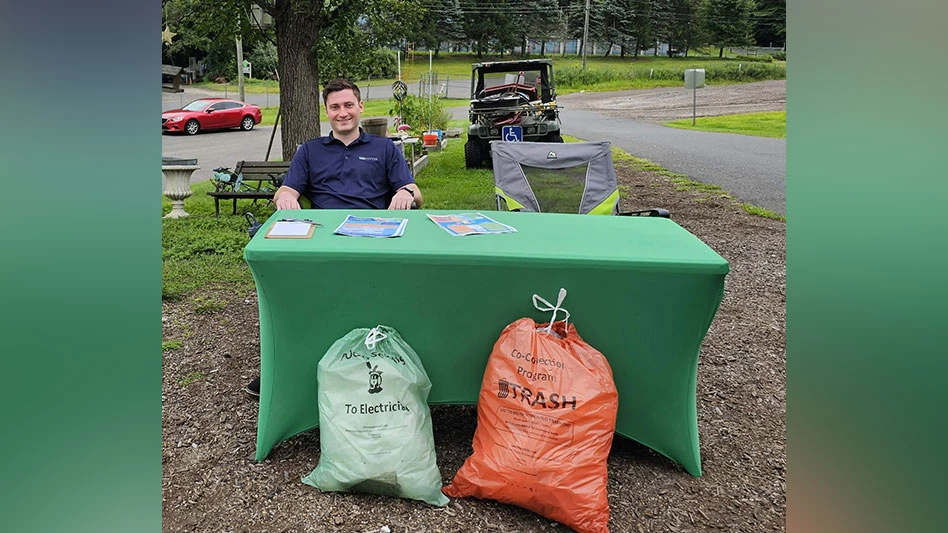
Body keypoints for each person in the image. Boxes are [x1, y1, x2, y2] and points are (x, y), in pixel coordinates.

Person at [246, 78, 423, 397]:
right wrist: (285, 197)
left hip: (373, 238)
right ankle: (284, 369)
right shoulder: (310, 150)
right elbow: (287, 189)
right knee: (297, 301)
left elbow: (414, 192)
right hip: (324, 239)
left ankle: (382, 360)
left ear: (360, 107)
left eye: (348, 105)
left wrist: (406, 192)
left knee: (378, 301)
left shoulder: (384, 148)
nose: (343, 113)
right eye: (335, 107)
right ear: (326, 111)